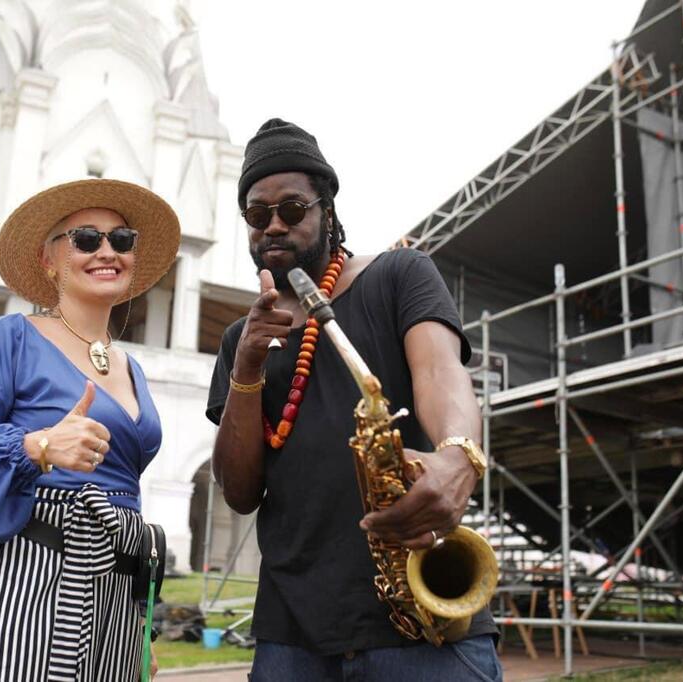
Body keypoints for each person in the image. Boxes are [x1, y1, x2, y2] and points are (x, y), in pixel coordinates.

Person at [206, 119, 502, 681]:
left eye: (292, 209)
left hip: (423, 623)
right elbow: (240, 492)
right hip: (292, 639)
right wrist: (246, 367)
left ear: (327, 209)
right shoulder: (239, 340)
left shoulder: (400, 274)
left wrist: (458, 453)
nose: (273, 225)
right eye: (256, 214)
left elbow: (442, 372)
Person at [0, 179, 180, 681]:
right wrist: (37, 446)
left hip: (115, 594)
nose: (107, 251)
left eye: (121, 239)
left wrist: (138, 627)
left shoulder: (132, 369)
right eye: (86, 238)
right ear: (48, 259)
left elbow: (125, 496)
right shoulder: (10, 338)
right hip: (25, 577)